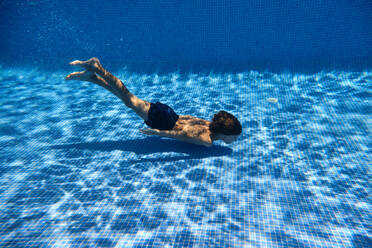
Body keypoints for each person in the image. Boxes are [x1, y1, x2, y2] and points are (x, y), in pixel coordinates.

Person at [66, 58, 242, 147]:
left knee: (128, 100)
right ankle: (98, 68)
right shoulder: (207, 140)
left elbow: (188, 118)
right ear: (226, 133)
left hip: (170, 113)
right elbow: (179, 135)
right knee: (129, 98)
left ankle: (93, 78)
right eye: (234, 137)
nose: (235, 140)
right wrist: (156, 132)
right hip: (164, 121)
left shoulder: (208, 124)